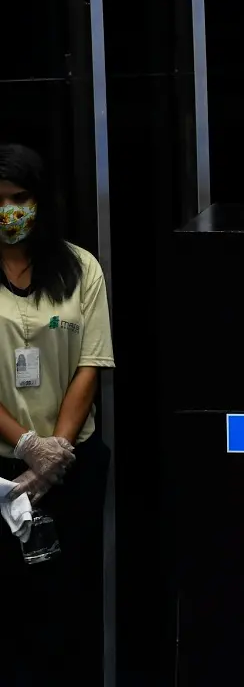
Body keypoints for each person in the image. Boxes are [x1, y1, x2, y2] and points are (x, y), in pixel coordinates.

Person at [0, 143, 115, 684]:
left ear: (40, 200)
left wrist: (54, 455)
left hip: (72, 466)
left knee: (68, 611)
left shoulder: (80, 268)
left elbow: (90, 367)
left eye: (19, 198)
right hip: (1, 468)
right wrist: (26, 446)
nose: (9, 210)